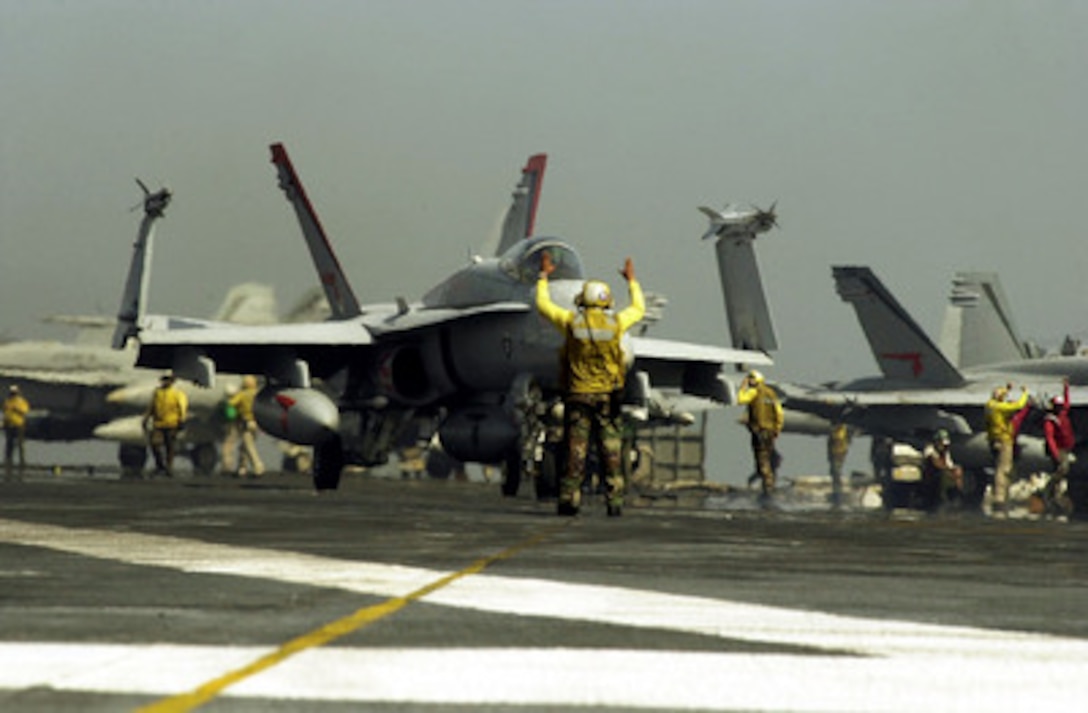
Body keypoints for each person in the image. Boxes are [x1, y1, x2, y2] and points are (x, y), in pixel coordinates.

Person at [536, 252, 645, 516]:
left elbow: (543, 305)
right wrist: (632, 281)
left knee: (576, 451)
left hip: (579, 397)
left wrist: (543, 277)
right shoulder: (616, 323)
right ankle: (615, 501)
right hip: (607, 398)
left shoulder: (572, 323)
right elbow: (639, 309)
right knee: (611, 452)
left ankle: (569, 499)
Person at [737, 369, 784, 502]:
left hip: (759, 432)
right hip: (770, 432)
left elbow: (741, 400)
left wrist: (743, 386)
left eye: (751, 379)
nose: (749, 381)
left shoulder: (754, 392)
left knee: (762, 461)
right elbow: (779, 412)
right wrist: (777, 428)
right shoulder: (771, 393)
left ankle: (768, 492)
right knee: (768, 458)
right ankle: (768, 487)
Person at [984, 383, 1029, 515]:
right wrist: (1025, 393)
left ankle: (1001, 495)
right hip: (1003, 440)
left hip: (995, 440)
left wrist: (1007, 389)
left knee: (1001, 469)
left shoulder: (989, 405)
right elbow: (1018, 406)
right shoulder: (998, 407)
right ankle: (1000, 498)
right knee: (1003, 469)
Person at [144, 371, 189, 477]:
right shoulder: (157, 392)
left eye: (168, 379)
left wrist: (182, 420)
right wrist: (146, 418)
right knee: (155, 444)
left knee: (170, 447)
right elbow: (152, 406)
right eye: (164, 379)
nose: (165, 381)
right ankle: (160, 466)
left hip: (172, 423)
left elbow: (182, 408)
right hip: (158, 424)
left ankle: (169, 468)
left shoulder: (177, 394)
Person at [1042, 378, 1074, 515]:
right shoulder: (1050, 421)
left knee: (1063, 472)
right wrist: (1055, 454)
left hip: (1066, 448)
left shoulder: (1063, 414)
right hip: (1059, 450)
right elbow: (1050, 439)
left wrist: (1066, 388)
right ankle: (1049, 494)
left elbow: (1067, 404)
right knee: (1061, 471)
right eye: (1058, 406)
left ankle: (1053, 495)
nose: (1061, 408)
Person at [225, 375, 265, 477]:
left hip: (246, 423)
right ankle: (242, 468)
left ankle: (258, 467)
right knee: (243, 447)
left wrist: (229, 397)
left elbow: (230, 404)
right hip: (257, 423)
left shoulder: (242, 394)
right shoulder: (259, 395)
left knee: (249, 447)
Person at [921, 428, 963, 511]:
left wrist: (956, 471)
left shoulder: (945, 452)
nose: (943, 447)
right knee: (944, 475)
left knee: (956, 472)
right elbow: (937, 463)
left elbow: (949, 465)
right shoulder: (930, 450)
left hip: (942, 476)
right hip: (931, 479)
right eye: (941, 444)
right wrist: (949, 470)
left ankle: (956, 496)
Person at [3, 385, 30, 474]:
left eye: (14, 393)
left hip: (19, 425)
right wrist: (3, 422)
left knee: (20, 444)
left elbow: (25, 411)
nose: (13, 394)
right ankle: (8, 462)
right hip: (9, 425)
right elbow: (5, 413)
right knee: (9, 445)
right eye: (12, 392)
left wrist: (17, 409)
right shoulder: (7, 402)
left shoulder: (21, 401)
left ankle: (22, 462)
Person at [827, 422, 852, 506]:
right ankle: (836, 492)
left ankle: (838, 493)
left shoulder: (843, 431)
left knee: (836, 472)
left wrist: (843, 453)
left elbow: (847, 442)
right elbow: (830, 444)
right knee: (834, 473)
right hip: (835, 454)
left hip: (839, 454)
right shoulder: (834, 432)